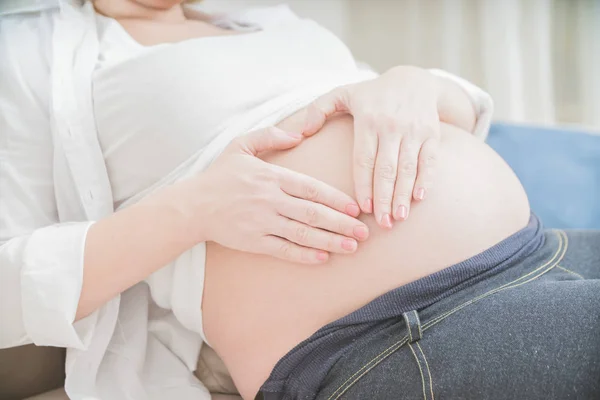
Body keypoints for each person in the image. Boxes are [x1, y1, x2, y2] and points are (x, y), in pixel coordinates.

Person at [0, 1, 598, 400]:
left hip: (536, 249)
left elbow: (448, 117)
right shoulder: (30, 54)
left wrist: (416, 83)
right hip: (390, 332)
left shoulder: (268, 21)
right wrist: (195, 208)